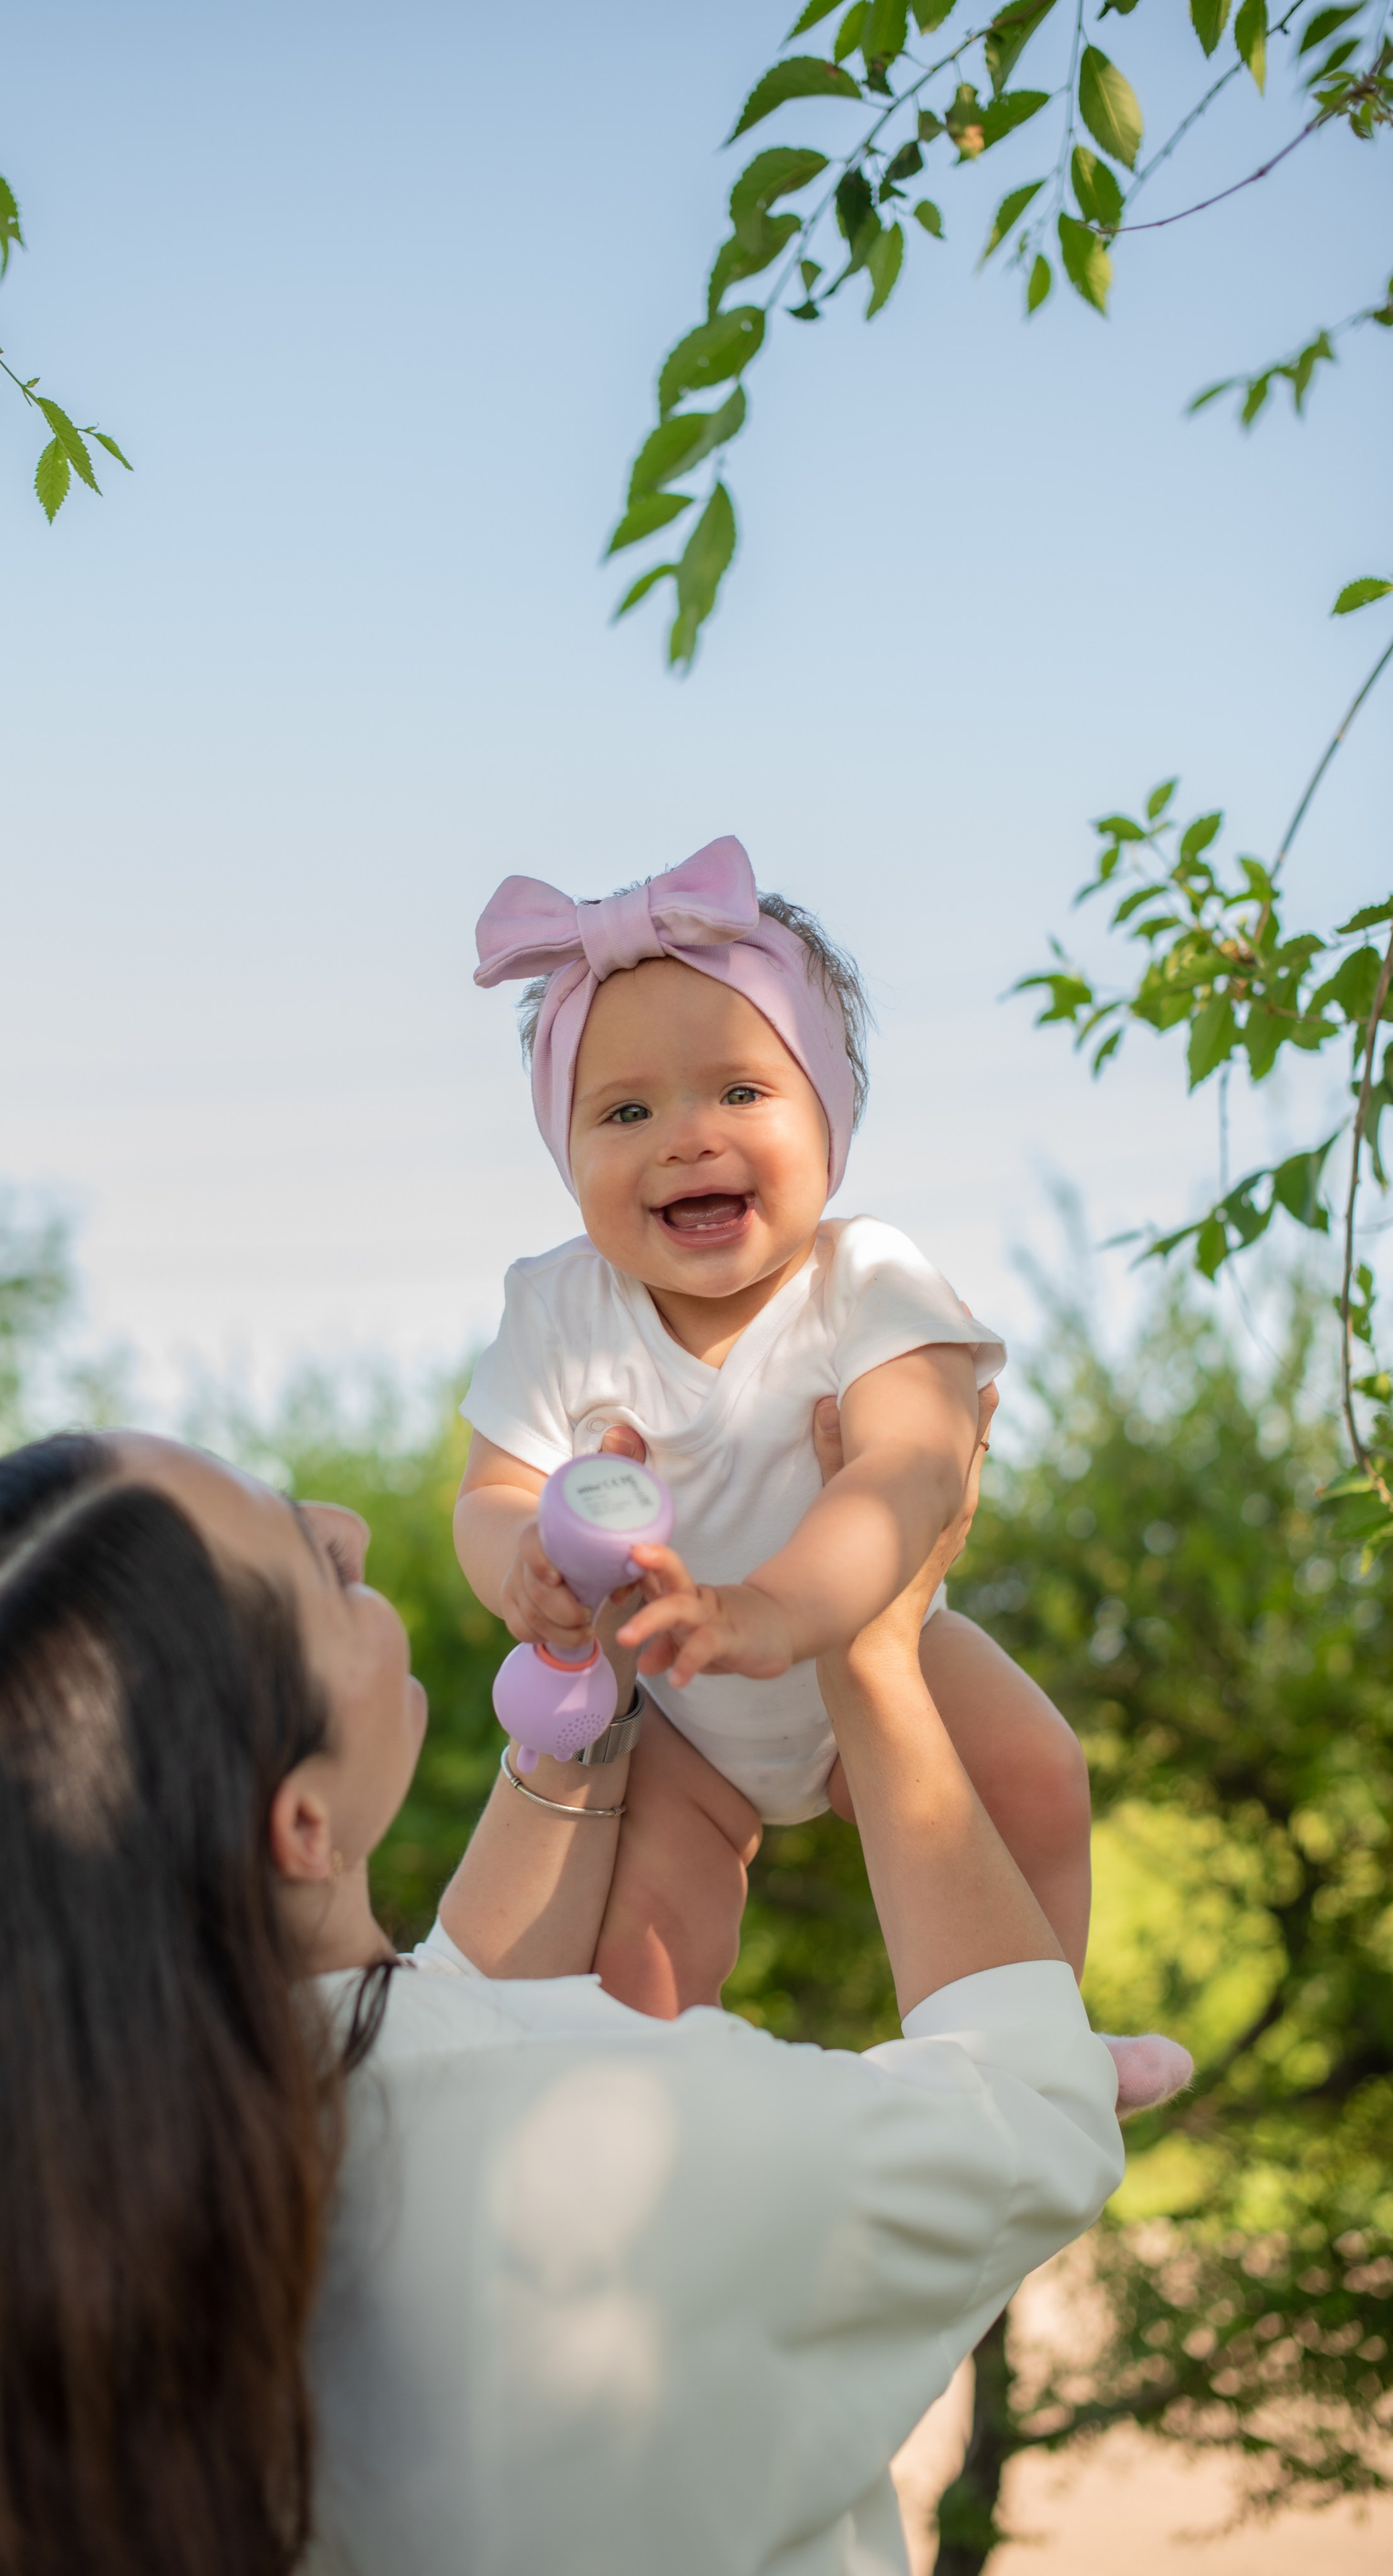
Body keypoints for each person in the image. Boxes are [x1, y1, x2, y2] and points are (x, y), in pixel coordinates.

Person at [0, 1410, 1122, 2576]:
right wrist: (869, 1648)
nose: (352, 1526)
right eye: (316, 1567)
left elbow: (441, 2016)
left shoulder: (31, 2186)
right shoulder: (630, 2158)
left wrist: (586, 1709)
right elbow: (1030, 2116)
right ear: (300, 1823)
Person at [456, 833, 1190, 2115]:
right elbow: (496, 1488)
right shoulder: (559, 1307)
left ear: (832, 1114)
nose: (687, 1140)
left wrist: (775, 1612)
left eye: (741, 1092)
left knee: (1032, 1776)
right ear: (564, 1152)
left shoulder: (871, 1281)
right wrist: (519, 1565)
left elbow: (908, 1471)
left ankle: (1046, 2040)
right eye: (625, 1112)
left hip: (862, 1636)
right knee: (651, 1935)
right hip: (680, 1705)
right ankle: (648, 2121)